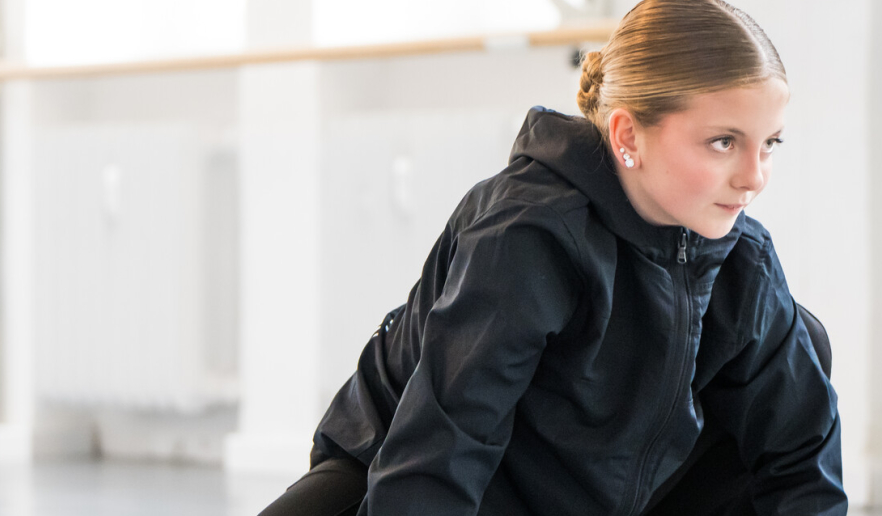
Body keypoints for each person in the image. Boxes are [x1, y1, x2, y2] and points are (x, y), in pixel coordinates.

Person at [258, 1, 844, 514]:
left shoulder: (744, 258)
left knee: (801, 348)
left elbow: (800, 461)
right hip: (400, 475)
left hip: (589, 491)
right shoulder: (527, 233)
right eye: (724, 142)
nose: (754, 177)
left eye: (769, 144)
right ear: (627, 135)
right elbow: (446, 441)